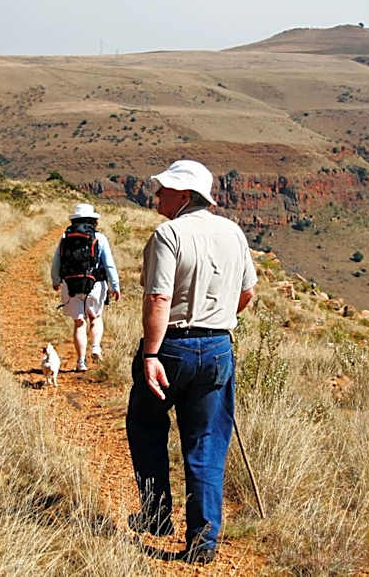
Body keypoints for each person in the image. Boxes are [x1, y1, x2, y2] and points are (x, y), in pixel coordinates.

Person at [125, 160, 257, 565]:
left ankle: (156, 512)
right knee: (206, 443)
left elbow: (158, 298)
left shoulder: (169, 234)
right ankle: (203, 541)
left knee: (146, 423)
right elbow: (248, 292)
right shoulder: (233, 232)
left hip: (172, 346)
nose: (157, 195)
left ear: (185, 196)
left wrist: (150, 353)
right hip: (218, 347)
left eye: (165, 190)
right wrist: (219, 322)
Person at [51, 203, 121, 371]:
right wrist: (115, 286)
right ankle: (95, 346)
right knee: (95, 318)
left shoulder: (65, 237)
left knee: (79, 322)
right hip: (95, 285)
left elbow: (56, 263)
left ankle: (81, 361)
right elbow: (109, 265)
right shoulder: (100, 238)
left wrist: (56, 280)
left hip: (71, 285)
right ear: (93, 221)